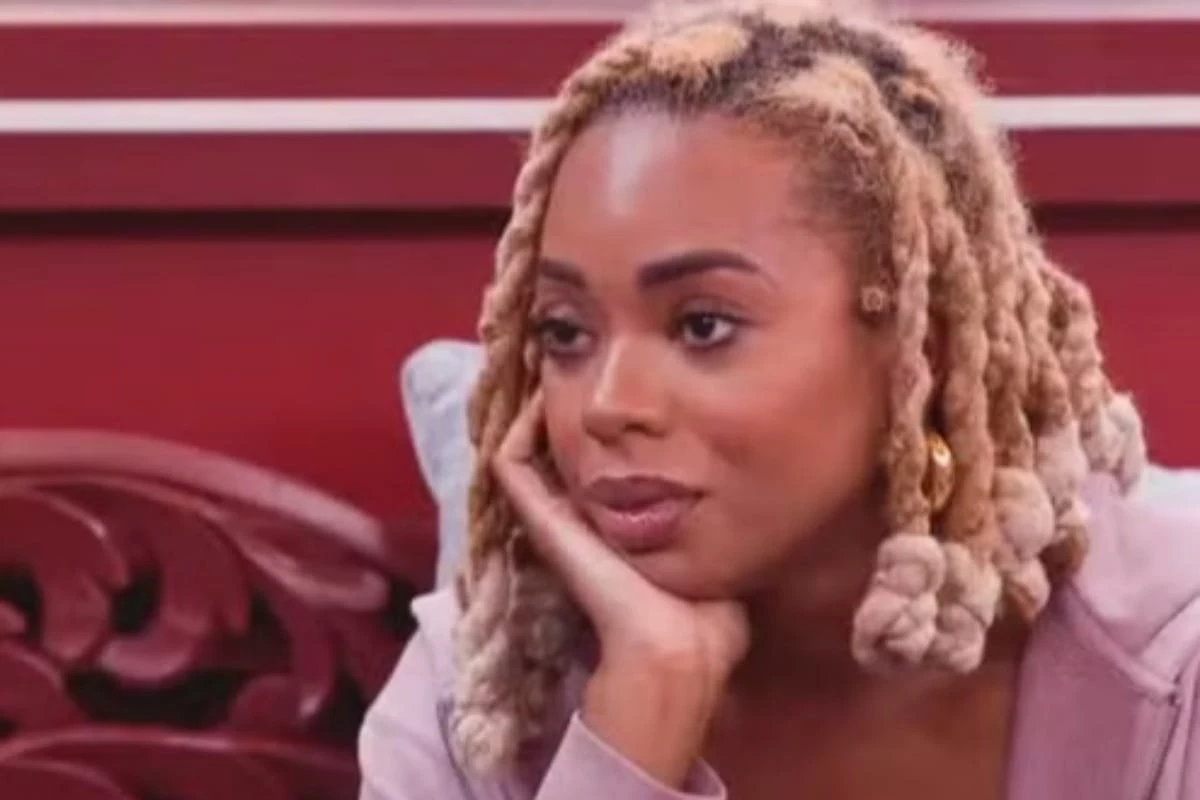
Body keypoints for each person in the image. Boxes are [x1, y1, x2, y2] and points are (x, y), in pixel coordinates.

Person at [358, 1, 1200, 797]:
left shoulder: (1170, 660)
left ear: (924, 348)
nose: (606, 406)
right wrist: (632, 729)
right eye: (565, 333)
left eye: (702, 326)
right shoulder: (479, 696)